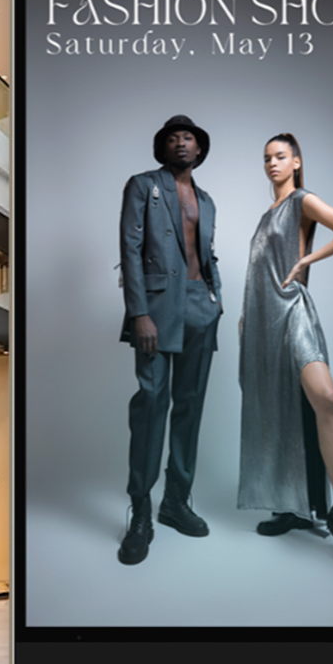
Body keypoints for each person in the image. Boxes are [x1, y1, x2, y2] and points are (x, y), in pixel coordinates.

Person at [237, 133, 333, 579]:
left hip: (292, 314)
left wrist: (306, 262)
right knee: (278, 412)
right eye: (266, 158)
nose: (272, 164)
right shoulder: (264, 216)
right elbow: (256, 273)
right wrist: (243, 320)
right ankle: (292, 506)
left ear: (296, 161)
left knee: (325, 399)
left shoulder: (301, 200)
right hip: (259, 325)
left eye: (280, 156)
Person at [117, 115, 222, 565]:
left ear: (200, 149)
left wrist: (217, 299)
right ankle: (141, 509)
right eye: (174, 138)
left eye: (190, 138)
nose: (182, 143)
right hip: (156, 309)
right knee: (152, 403)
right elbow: (129, 248)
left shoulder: (208, 200)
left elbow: (205, 253)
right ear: (163, 148)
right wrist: (139, 312)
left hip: (202, 306)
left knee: (190, 406)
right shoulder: (142, 186)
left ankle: (176, 502)